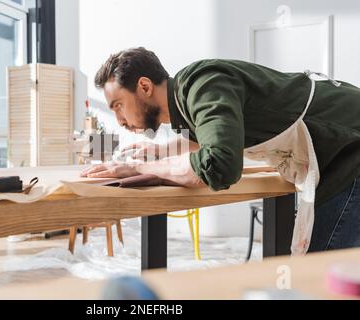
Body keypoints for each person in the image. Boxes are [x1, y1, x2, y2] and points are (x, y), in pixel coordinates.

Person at [81, 47, 360, 254]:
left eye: (118, 105)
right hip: (337, 150)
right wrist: (158, 152)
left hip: (349, 146)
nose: (118, 120)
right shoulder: (189, 101)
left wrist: (141, 168)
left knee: (320, 277)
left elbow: (221, 163)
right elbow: (204, 141)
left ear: (144, 86)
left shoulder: (203, 83)